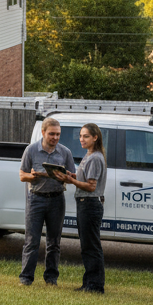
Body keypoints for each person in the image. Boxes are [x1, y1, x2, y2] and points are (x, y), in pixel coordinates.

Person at [18, 116, 76, 286]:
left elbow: (72, 176)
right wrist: (33, 175)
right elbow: (22, 175)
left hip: (57, 199)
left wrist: (65, 177)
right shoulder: (31, 150)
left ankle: (51, 279)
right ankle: (26, 278)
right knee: (31, 240)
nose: (55, 138)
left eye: (58, 134)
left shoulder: (65, 152)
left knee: (54, 242)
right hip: (36, 198)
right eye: (52, 134)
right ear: (43, 132)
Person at [58, 122, 107, 293]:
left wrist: (71, 181)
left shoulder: (94, 157)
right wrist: (72, 175)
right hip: (85, 203)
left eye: (86, 136)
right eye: (80, 136)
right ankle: (89, 282)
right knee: (87, 245)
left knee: (91, 245)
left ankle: (95, 285)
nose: (82, 139)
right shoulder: (89, 155)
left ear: (95, 137)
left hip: (90, 203)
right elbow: (84, 178)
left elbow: (91, 186)